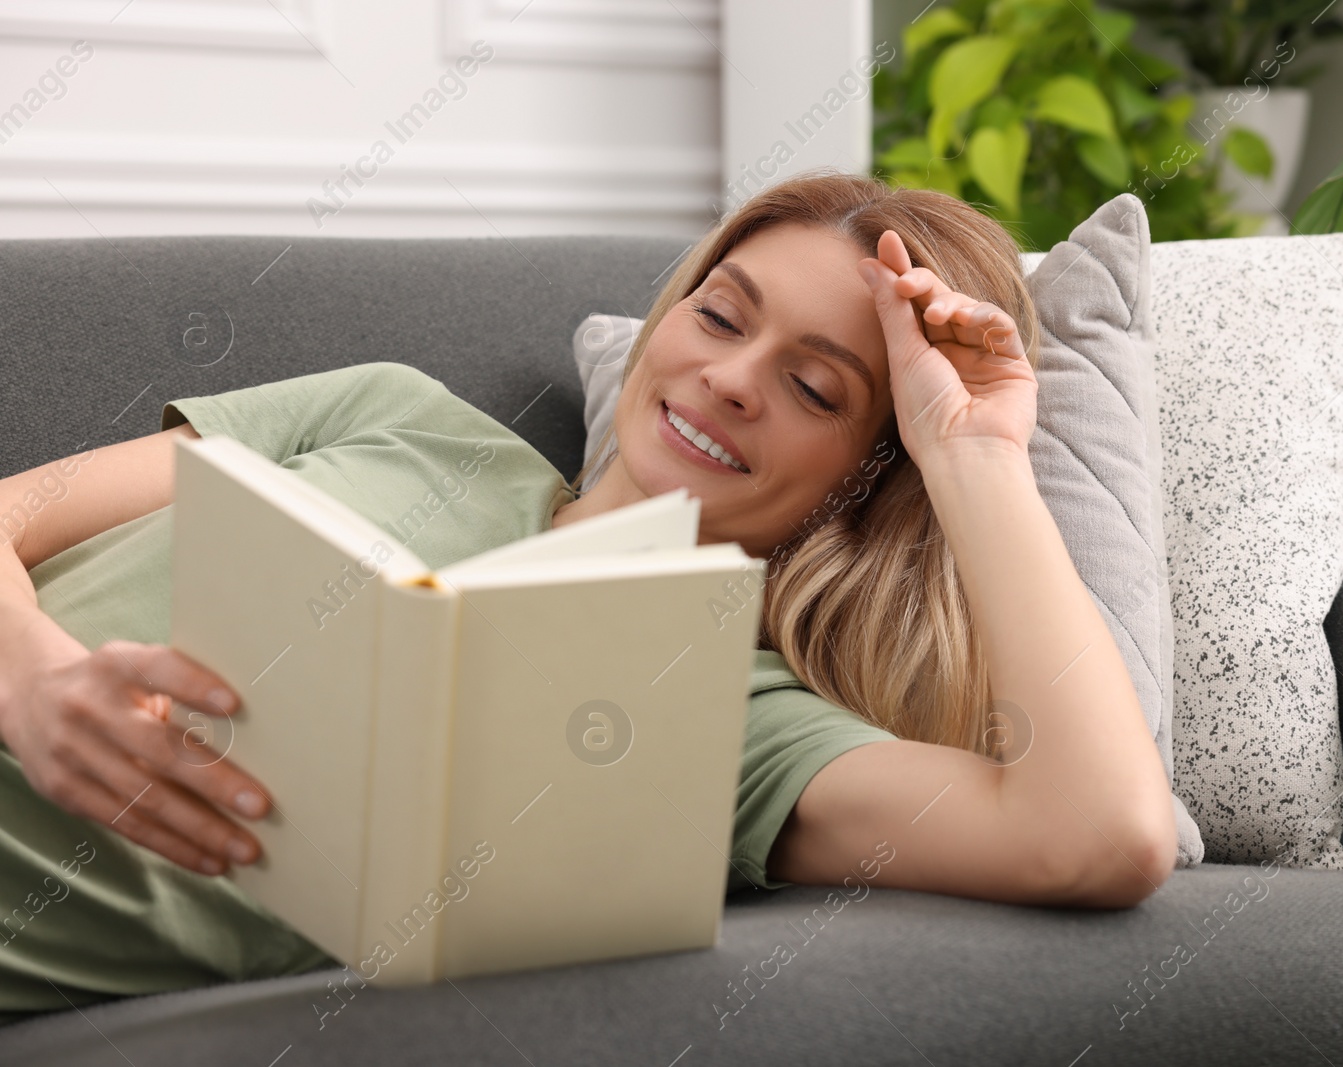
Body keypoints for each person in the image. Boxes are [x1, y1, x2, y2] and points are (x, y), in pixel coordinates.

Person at [0, 171, 1177, 1016]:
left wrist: (971, 458)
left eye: (815, 389)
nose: (726, 380)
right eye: (718, 315)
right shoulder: (400, 414)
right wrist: (36, 685)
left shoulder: (723, 707)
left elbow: (1099, 834)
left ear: (868, 484)